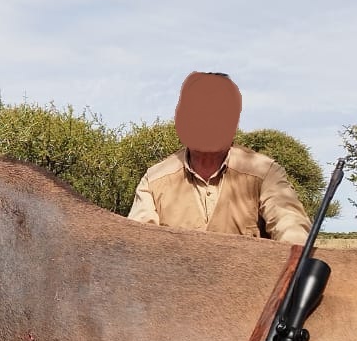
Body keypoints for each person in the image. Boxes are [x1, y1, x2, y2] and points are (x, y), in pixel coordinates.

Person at [127, 71, 311, 244]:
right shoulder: (154, 180)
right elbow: (138, 243)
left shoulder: (265, 172)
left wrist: (295, 251)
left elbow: (291, 225)